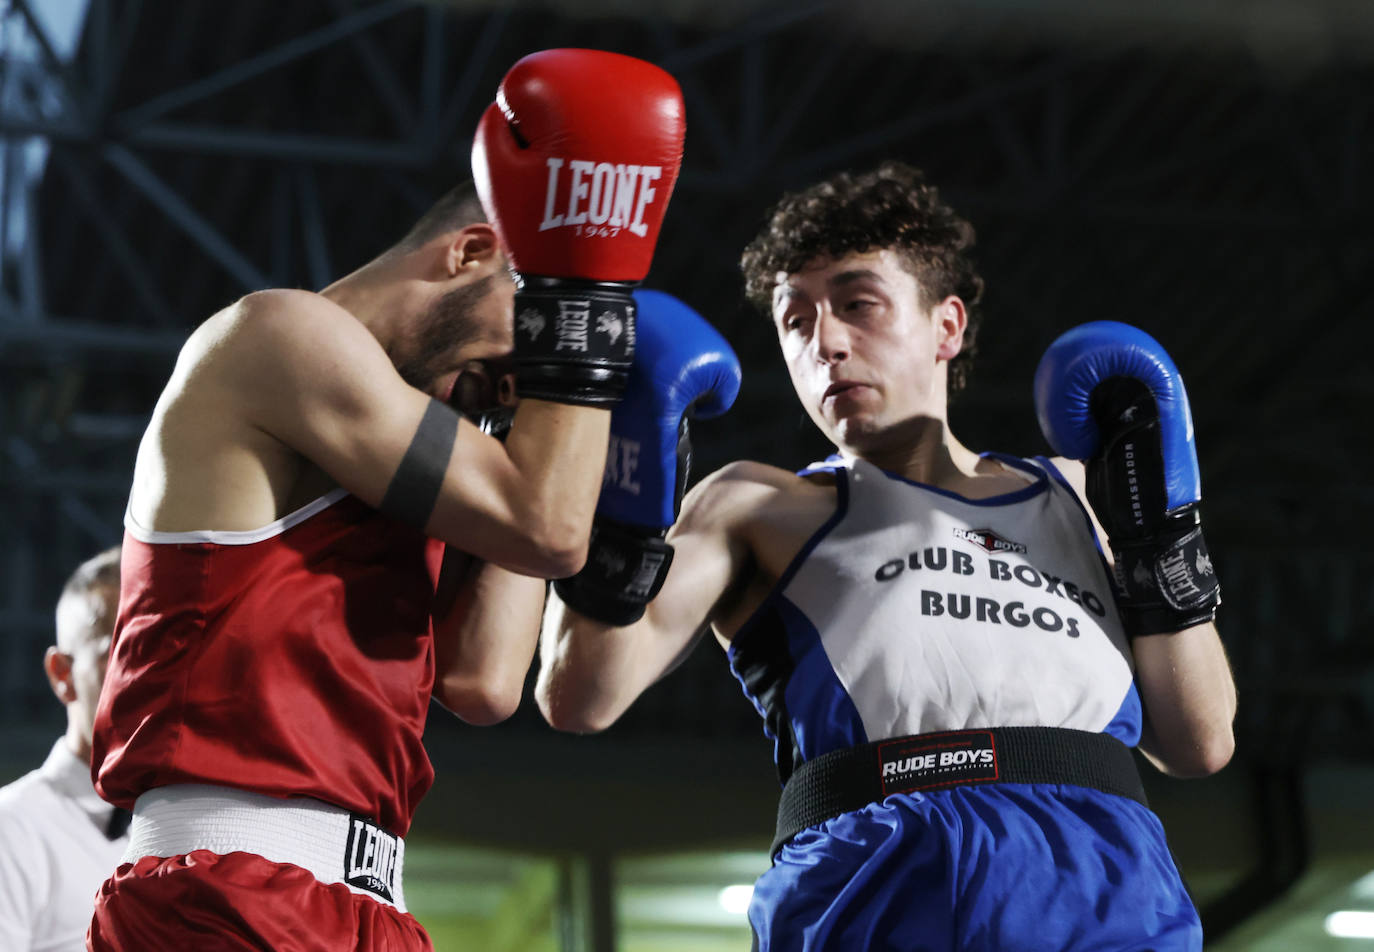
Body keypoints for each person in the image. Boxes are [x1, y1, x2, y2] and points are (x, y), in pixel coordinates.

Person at [536, 161, 1237, 951]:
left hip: (1104, 891)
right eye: (794, 321)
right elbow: (579, 694)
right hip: (872, 887)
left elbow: (1200, 739)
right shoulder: (759, 508)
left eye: (857, 305)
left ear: (947, 326)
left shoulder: (1078, 495)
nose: (825, 342)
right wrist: (619, 493)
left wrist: (1161, 533)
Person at [85, 48, 686, 952]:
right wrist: (584, 312)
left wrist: (576, 429)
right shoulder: (278, 335)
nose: (520, 388)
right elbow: (548, 527)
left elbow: (483, 680)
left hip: (364, 905)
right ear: (474, 251)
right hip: (226, 894)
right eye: (525, 341)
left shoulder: (424, 449)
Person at [0, 547, 127, 952]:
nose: (152, 678)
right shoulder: (12, 831)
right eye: (123, 653)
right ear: (62, 674)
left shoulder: (214, 820)